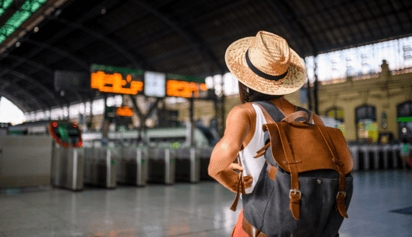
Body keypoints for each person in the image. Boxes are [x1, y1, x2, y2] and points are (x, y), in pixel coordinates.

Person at [208, 31, 324, 236]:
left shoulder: (245, 113)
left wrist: (223, 175)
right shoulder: (313, 118)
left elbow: (221, 157)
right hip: (308, 224)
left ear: (244, 79)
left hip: (261, 224)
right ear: (284, 81)